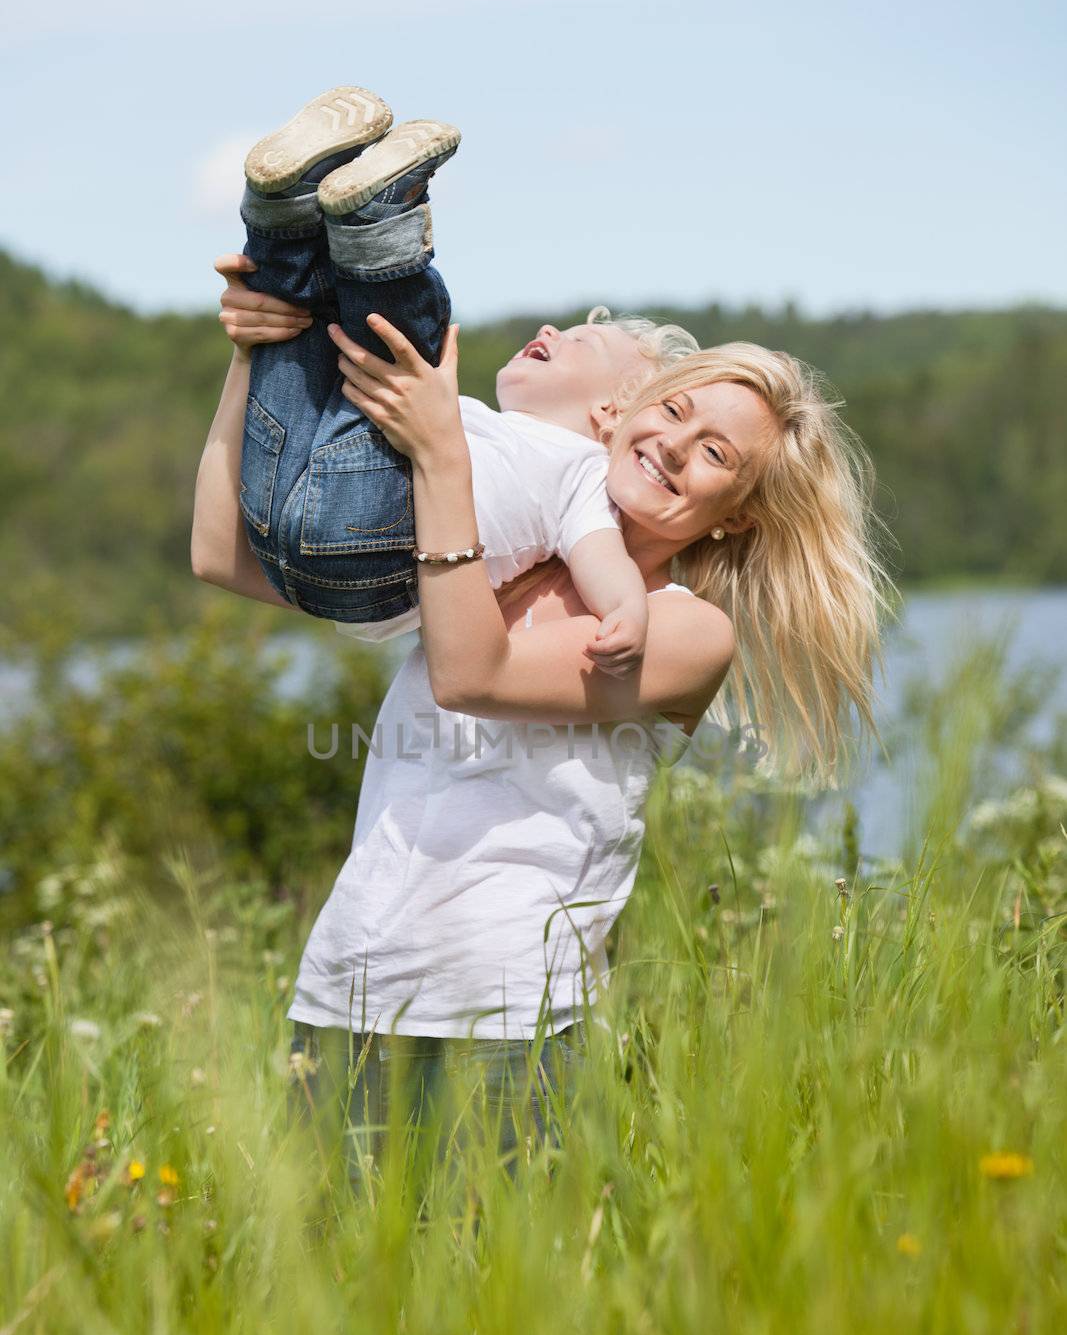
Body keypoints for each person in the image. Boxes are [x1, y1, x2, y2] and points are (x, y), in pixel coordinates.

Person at [191, 111, 891, 1191]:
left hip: (504, 1021)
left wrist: (435, 452)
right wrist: (256, 363)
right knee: (319, 1316)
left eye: (714, 454)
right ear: (623, 417)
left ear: (738, 516)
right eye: (673, 412)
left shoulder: (682, 632)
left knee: (482, 1321)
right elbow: (224, 554)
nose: (670, 444)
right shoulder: (498, 554)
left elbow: (471, 672)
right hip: (345, 988)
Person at [219, 84, 698, 680]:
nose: (553, 328)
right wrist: (249, 351)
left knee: (404, 351)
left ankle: (377, 220)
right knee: (304, 341)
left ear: (611, 412)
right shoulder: (485, 426)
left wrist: (628, 611)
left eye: (584, 341)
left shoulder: (582, 471)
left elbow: (603, 557)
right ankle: (285, 210)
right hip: (286, 527)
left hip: (380, 561)